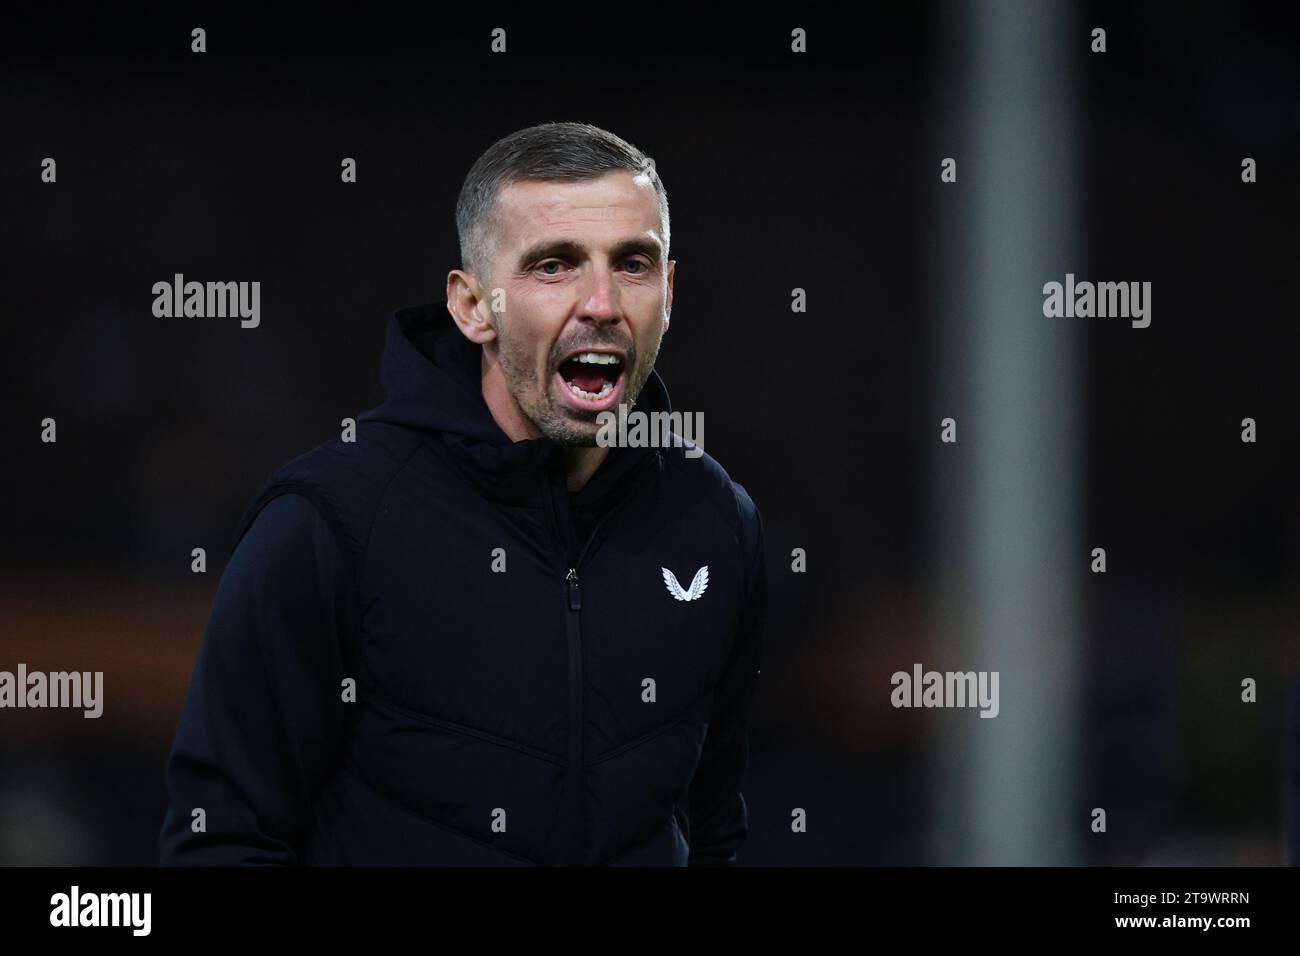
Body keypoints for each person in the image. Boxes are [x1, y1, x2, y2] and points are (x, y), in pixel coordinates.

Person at [159, 121, 768, 866]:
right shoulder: (330, 521)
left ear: (668, 293)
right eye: (554, 265)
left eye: (633, 264)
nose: (602, 303)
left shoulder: (715, 525)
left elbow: (714, 835)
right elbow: (221, 840)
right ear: (472, 305)